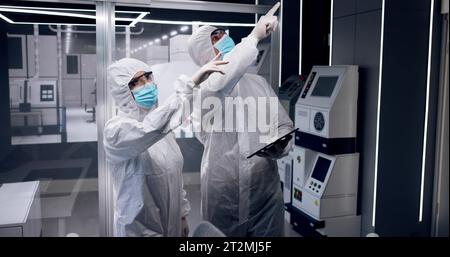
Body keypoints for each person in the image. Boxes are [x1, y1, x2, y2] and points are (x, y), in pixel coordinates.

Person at [187, 2, 294, 236]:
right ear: (205, 54)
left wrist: (280, 146)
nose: (224, 38)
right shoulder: (204, 89)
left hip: (264, 190)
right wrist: (254, 36)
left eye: (223, 33)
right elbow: (222, 79)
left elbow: (283, 125)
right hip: (224, 191)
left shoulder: (258, 84)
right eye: (215, 38)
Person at [104, 56, 227, 237]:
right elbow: (148, 129)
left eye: (148, 77)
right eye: (136, 82)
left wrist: (182, 215)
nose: (147, 84)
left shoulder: (163, 131)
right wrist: (191, 84)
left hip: (172, 225)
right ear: (123, 92)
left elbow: (175, 176)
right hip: (139, 231)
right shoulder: (116, 131)